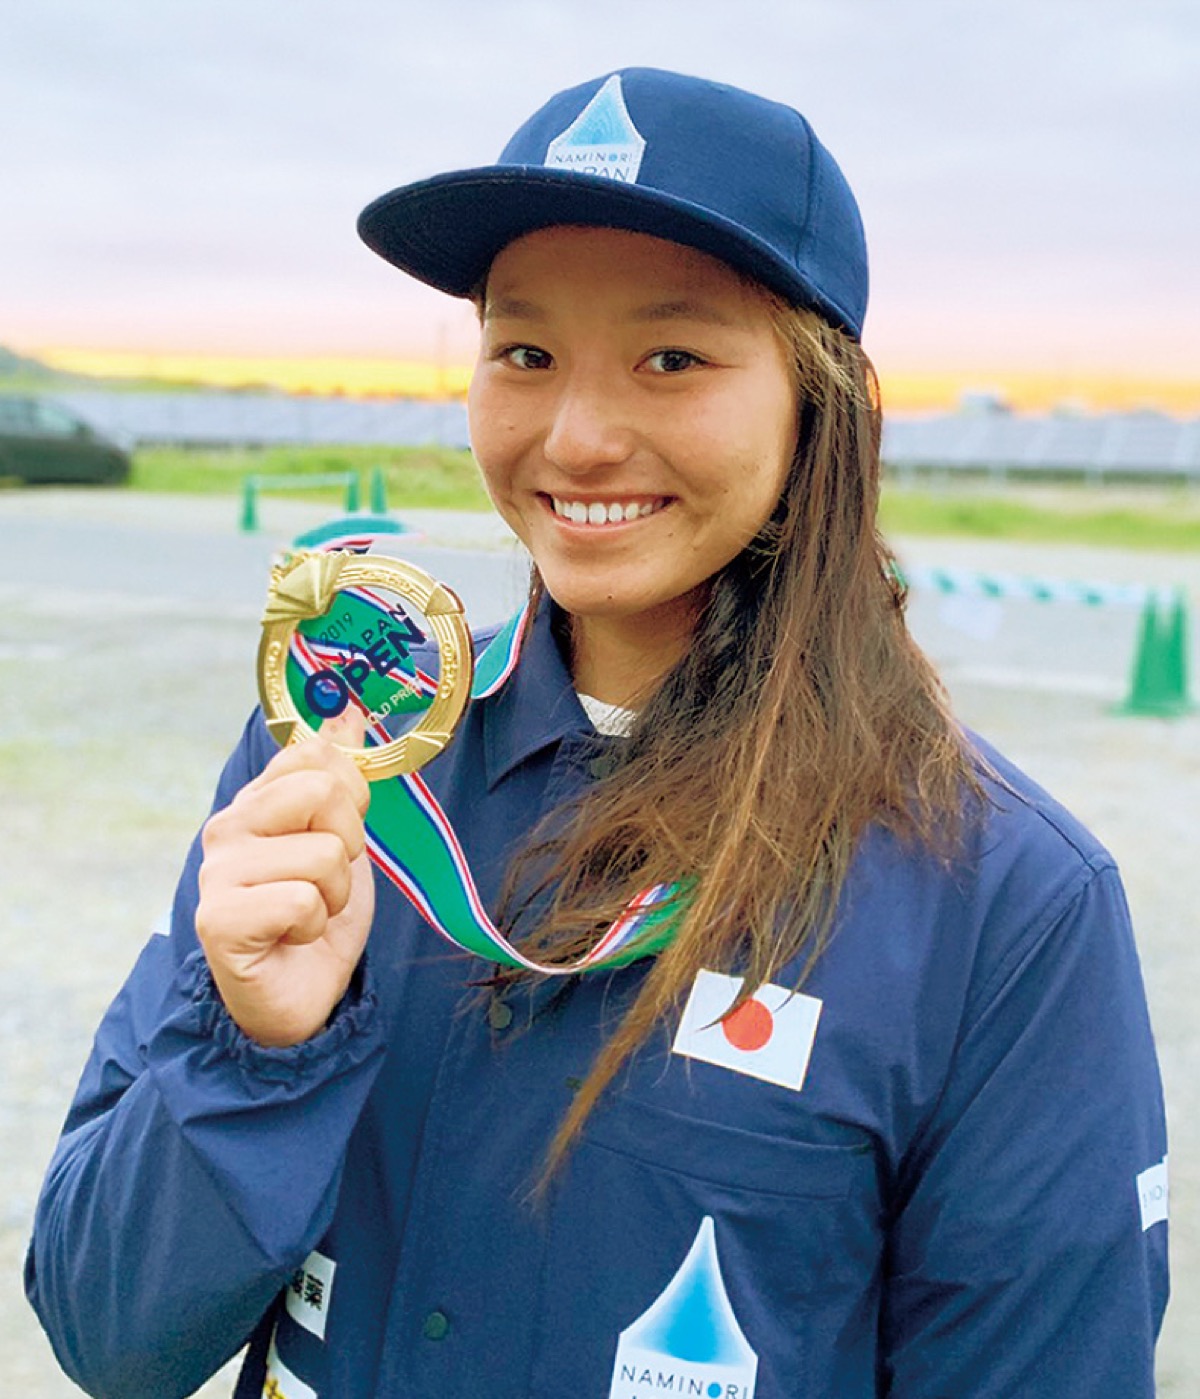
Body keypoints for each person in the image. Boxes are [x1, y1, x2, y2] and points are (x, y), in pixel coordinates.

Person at [27, 67, 1168, 1399]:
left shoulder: (1004, 901)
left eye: (672, 359)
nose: (574, 439)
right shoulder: (347, 767)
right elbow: (109, 1337)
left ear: (827, 403)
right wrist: (254, 1052)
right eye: (525, 354)